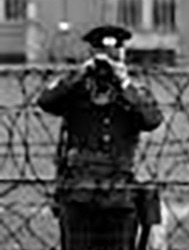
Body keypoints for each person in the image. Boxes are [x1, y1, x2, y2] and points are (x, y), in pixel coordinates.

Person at [37, 25, 164, 250]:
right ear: (91, 55)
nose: (107, 64)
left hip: (119, 197)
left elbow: (151, 120)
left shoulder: (134, 93)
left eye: (114, 56)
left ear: (123, 57)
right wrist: (80, 74)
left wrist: (124, 82)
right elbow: (46, 101)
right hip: (79, 195)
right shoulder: (76, 91)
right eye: (101, 55)